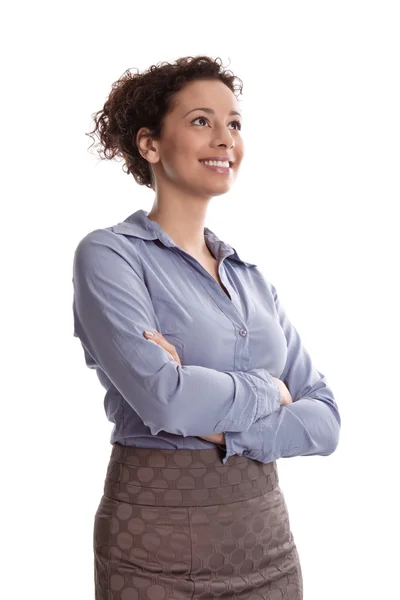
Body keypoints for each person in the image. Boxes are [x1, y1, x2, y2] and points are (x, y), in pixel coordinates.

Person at [72, 55, 341, 599]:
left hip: (265, 539)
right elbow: (166, 402)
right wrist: (271, 390)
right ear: (150, 145)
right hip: (154, 541)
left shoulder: (253, 280)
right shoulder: (110, 255)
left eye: (234, 123)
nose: (225, 139)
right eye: (201, 121)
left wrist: (217, 419)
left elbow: (326, 421)